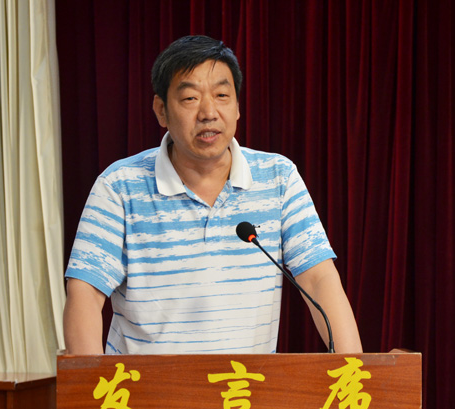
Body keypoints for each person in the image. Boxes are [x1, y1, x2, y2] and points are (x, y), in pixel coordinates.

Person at [63, 35, 362, 355]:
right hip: (147, 387)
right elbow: (85, 293)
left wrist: (359, 374)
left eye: (222, 95)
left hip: (245, 386)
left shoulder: (278, 178)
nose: (209, 112)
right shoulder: (119, 186)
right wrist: (89, 382)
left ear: (237, 107)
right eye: (190, 98)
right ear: (161, 110)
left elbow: (318, 279)